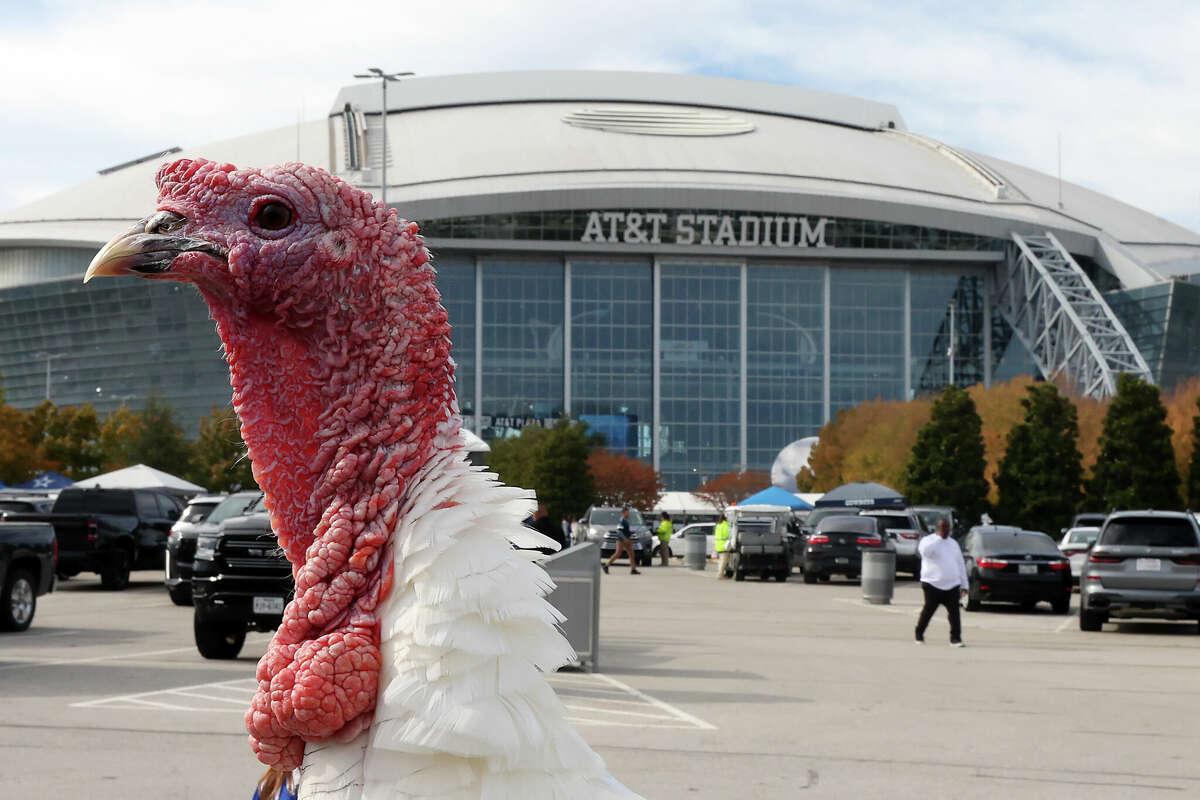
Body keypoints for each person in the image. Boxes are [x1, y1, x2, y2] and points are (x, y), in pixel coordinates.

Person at [914, 518, 969, 646]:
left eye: (947, 528)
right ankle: (919, 633)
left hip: (952, 584)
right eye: (943, 528)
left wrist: (964, 585)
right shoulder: (928, 541)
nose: (946, 531)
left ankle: (955, 638)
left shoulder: (953, 543)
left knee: (954, 613)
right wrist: (938, 539)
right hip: (932, 584)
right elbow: (925, 552)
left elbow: (960, 564)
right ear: (937, 528)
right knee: (928, 611)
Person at [603, 507, 640, 575]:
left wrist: (630, 534)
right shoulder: (622, 520)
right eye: (627, 512)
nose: (628, 513)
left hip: (627, 539)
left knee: (631, 554)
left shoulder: (625, 520)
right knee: (618, 553)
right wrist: (625, 539)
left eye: (628, 512)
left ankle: (633, 569)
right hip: (621, 540)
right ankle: (606, 565)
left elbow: (625, 530)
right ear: (623, 513)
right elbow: (619, 531)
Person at [714, 515, 731, 580]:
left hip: (718, 545)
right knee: (723, 562)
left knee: (720, 561)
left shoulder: (718, 525)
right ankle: (720, 575)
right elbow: (728, 535)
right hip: (724, 545)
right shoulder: (726, 526)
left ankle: (720, 574)